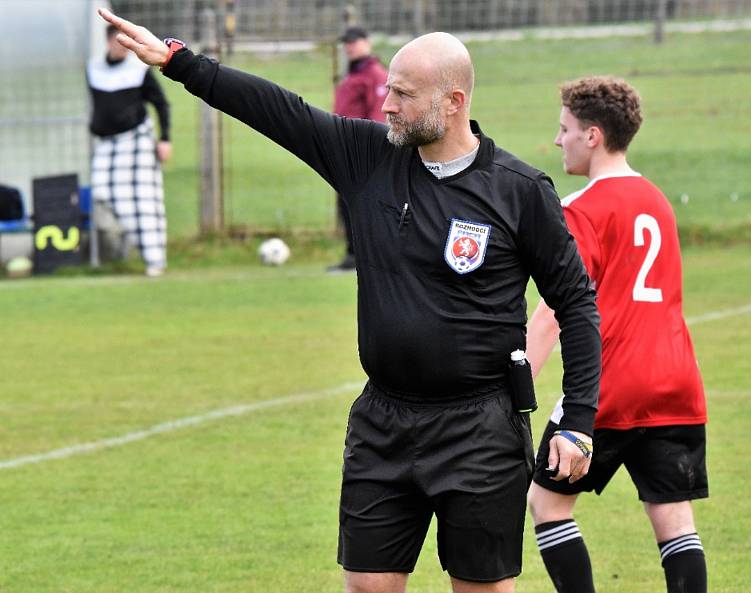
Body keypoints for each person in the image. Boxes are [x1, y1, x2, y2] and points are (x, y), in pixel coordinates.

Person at [98, 9, 602, 593]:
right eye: (388, 88)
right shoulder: (367, 158)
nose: (386, 104)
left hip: (479, 428)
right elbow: (280, 112)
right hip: (384, 422)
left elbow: (575, 303)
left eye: (404, 94)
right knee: (367, 585)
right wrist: (181, 64)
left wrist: (579, 421)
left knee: (482, 589)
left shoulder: (519, 191)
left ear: (454, 100)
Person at [526, 76, 708, 593]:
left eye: (564, 129)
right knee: (674, 521)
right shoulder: (658, 200)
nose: (557, 140)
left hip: (610, 387)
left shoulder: (583, 209)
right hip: (676, 382)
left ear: (593, 135)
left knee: (547, 504)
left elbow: (555, 311)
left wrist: (515, 383)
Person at [87, 24, 173, 277]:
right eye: (118, 41)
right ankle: (127, 234)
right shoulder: (94, 69)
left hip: (136, 141)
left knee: (145, 202)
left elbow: (161, 103)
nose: (121, 47)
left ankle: (155, 260)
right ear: (108, 42)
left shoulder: (139, 70)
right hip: (106, 144)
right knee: (101, 189)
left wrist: (165, 138)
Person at [328, 26, 388, 272]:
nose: (349, 46)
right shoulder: (352, 75)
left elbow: (379, 113)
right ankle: (354, 253)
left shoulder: (374, 74)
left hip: (362, 150)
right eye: (346, 43)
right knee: (346, 202)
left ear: (366, 42)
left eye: (354, 42)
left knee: (364, 202)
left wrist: (370, 148)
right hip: (345, 149)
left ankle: (366, 255)